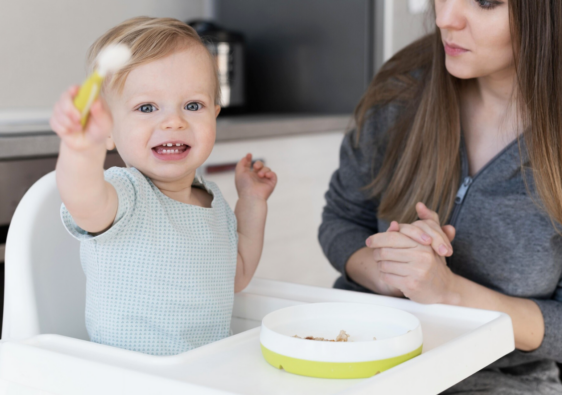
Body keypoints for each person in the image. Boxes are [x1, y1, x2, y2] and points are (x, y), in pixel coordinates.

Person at [319, 0, 562, 393]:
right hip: (362, 360)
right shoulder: (402, 88)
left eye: (485, 2)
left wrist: (447, 291)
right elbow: (341, 220)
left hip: (499, 382)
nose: (445, 18)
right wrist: (393, 273)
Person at [49, 17, 277, 356]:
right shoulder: (125, 193)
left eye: (193, 105)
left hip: (204, 370)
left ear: (214, 114)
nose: (174, 120)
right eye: (147, 107)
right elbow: (83, 199)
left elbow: (237, 276)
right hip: (135, 377)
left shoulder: (211, 199)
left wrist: (252, 201)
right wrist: (82, 148)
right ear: (108, 129)